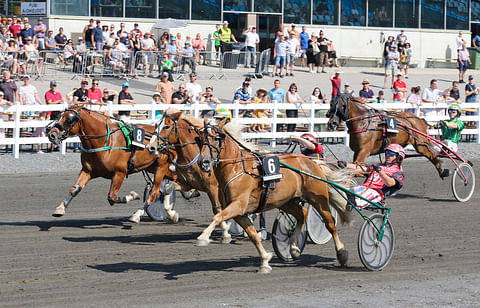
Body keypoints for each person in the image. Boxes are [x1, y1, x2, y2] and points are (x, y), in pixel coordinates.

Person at [338, 144, 406, 207]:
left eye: (391, 154)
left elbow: (390, 183)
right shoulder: (378, 165)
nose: (387, 155)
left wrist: (380, 172)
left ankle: (354, 202)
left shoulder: (398, 173)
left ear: (399, 157)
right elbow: (362, 169)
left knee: (356, 199)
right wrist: (346, 165)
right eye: (387, 153)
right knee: (340, 193)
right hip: (363, 188)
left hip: (377, 193)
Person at [18, 75, 45, 153]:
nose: (26, 80)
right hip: (26, 105)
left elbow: (36, 96)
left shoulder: (33, 87)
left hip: (33, 104)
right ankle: (33, 135)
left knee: (42, 114)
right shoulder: (21, 88)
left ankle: (38, 133)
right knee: (26, 120)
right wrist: (22, 106)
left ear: (29, 80)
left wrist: (41, 104)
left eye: (27, 79)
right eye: (25, 79)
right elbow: (20, 98)